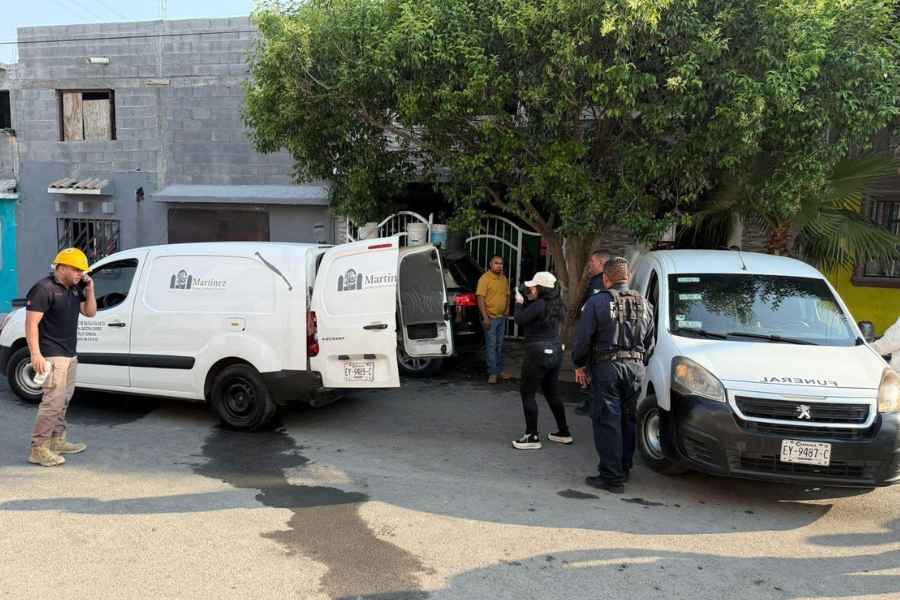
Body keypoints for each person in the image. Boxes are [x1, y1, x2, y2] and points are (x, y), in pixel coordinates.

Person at [572, 257, 654, 494]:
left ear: (606, 279)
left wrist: (579, 364)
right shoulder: (645, 303)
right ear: (627, 277)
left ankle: (611, 477)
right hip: (636, 368)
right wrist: (638, 362)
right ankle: (624, 467)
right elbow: (650, 342)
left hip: (607, 367)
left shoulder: (597, 302)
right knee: (628, 419)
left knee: (607, 420)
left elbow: (583, 339)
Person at [25, 248, 97, 467]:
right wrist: (36, 354)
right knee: (52, 403)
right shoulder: (43, 289)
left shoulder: (76, 289)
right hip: (51, 354)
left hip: (69, 354)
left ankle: (56, 440)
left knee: (63, 400)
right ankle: (38, 449)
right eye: (76, 269)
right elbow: (31, 324)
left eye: (82, 271)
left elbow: (90, 312)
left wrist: (91, 289)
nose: (80, 274)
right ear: (62, 267)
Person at [511, 272, 572, 449]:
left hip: (537, 352)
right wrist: (527, 300)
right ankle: (564, 432)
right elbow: (536, 314)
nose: (531, 288)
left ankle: (531, 436)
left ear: (542, 288)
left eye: (534, 286)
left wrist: (519, 303)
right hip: (555, 351)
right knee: (552, 393)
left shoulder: (539, 304)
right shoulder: (558, 304)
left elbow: (520, 319)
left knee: (527, 393)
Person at [575, 251, 609, 416]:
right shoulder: (598, 280)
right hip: (596, 334)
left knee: (591, 369)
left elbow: (593, 308)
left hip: (595, 335)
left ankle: (591, 403)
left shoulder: (600, 282)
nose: (590, 265)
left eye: (593, 262)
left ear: (602, 263)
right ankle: (589, 401)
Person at [476, 255, 511, 384]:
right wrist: (485, 318)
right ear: (491, 264)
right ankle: (492, 373)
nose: (499, 265)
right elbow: (480, 298)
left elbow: (507, 295)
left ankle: (499, 370)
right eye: (496, 263)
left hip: (501, 318)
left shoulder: (503, 279)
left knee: (499, 345)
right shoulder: (484, 279)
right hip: (490, 318)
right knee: (491, 346)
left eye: (501, 263)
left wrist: (507, 309)